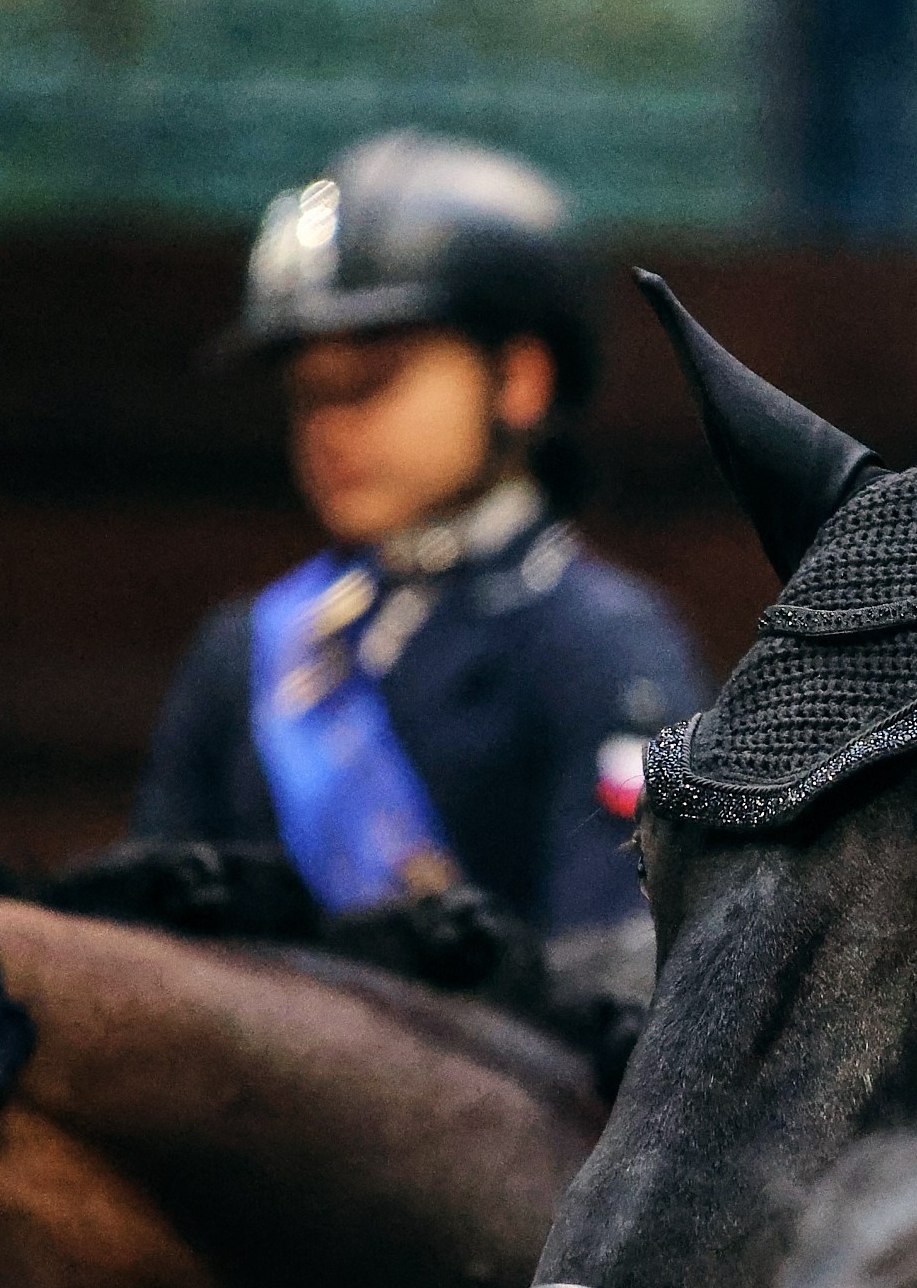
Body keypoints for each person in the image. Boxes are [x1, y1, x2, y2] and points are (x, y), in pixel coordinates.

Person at [134, 131, 708, 932]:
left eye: (374, 380)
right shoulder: (242, 654)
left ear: (519, 379)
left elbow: (618, 977)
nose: (332, 426)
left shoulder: (602, 648)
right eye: (308, 393)